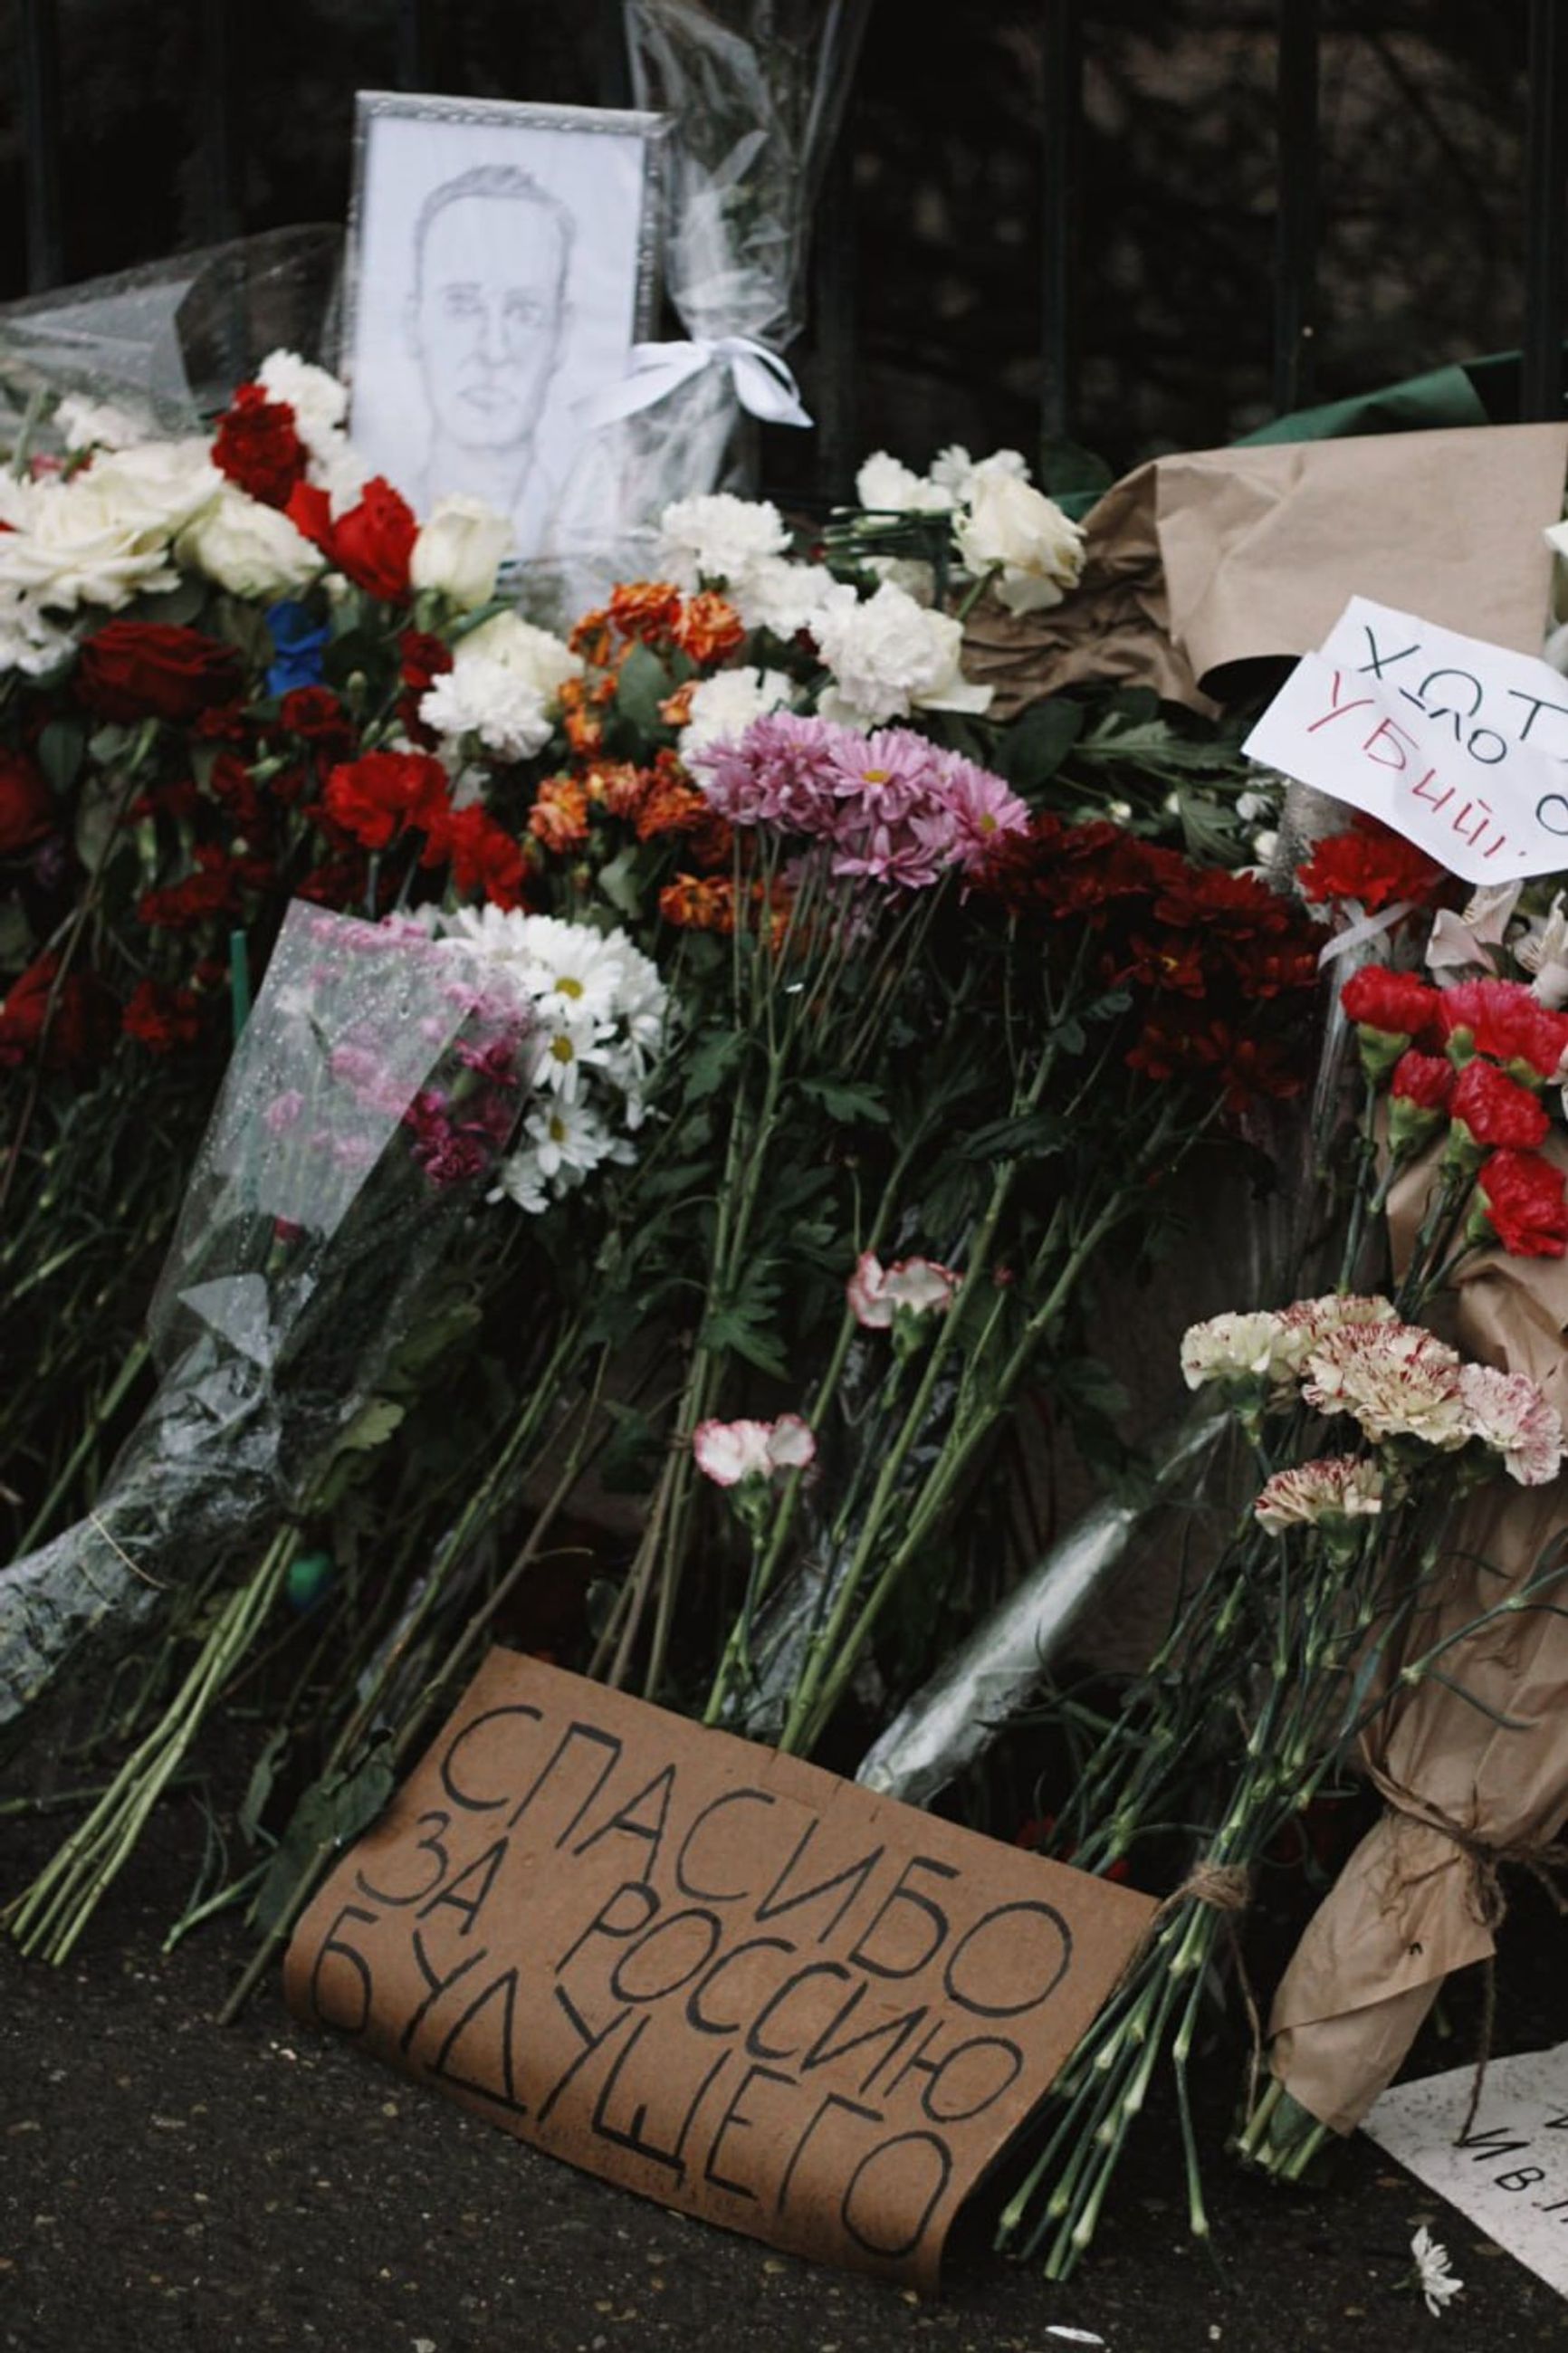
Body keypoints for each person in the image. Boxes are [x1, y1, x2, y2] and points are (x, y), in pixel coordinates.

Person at [405, 163, 575, 554]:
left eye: (523, 312)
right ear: (413, 322)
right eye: (463, 306)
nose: (493, 351)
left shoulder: (594, 538)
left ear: (562, 334)